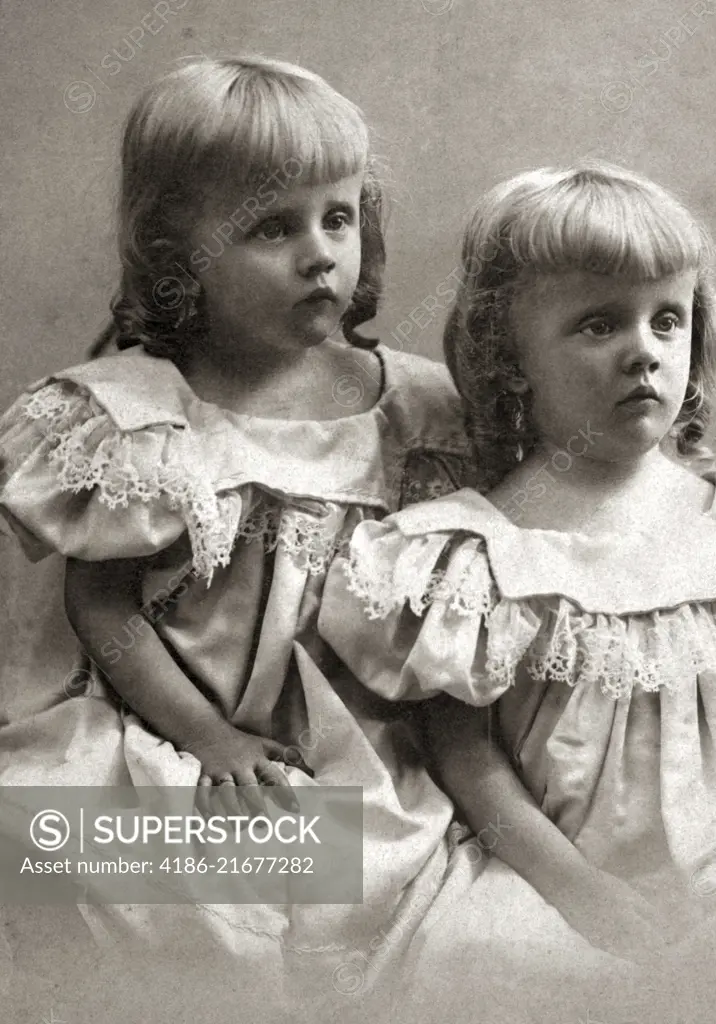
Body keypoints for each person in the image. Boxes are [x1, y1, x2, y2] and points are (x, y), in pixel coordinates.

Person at [0, 55, 471, 1021]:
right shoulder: (144, 416)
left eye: (337, 217)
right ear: (180, 256)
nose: (320, 254)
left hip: (353, 748)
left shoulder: (416, 411)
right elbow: (104, 607)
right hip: (168, 726)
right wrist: (207, 735)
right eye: (272, 227)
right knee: (69, 850)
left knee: (345, 888)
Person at [319, 163, 716, 1020]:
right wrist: (582, 893)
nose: (644, 348)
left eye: (666, 319)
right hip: (561, 882)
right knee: (505, 972)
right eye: (599, 323)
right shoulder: (475, 550)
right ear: (511, 358)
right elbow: (465, 754)